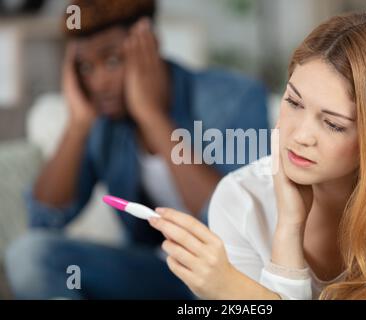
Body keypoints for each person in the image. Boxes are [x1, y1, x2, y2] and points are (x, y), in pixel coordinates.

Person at [146, 13, 366, 299]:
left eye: (333, 124)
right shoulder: (241, 199)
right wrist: (289, 227)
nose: (300, 136)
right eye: (293, 102)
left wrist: (237, 291)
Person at [5, 0, 269, 299]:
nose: (99, 81)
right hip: (154, 275)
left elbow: (239, 227)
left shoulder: (234, 98)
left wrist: (151, 115)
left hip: (227, 278)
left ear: (149, 44)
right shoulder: (104, 123)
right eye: (86, 67)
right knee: (30, 255)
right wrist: (78, 125)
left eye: (113, 60)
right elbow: (44, 219)